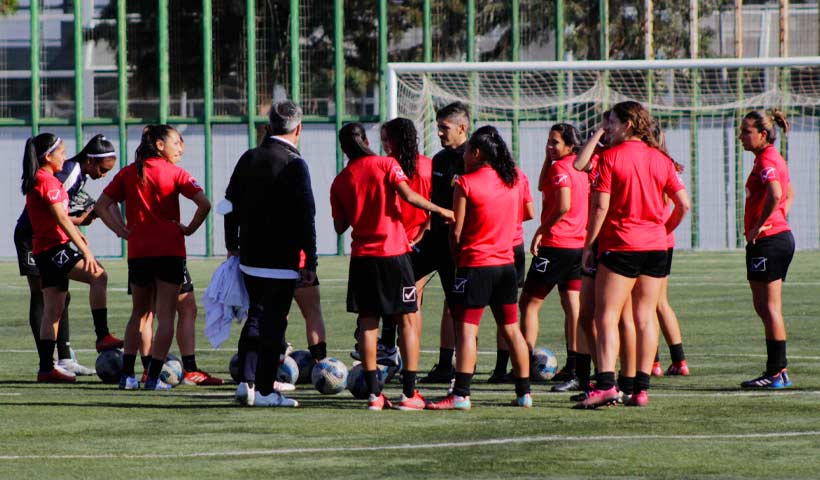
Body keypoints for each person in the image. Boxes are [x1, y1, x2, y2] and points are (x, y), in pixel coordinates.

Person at [331, 122, 453, 411]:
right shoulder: (386, 164)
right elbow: (409, 196)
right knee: (408, 319)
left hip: (361, 257)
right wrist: (440, 210)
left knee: (368, 323)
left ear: (343, 147)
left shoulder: (340, 180)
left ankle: (375, 396)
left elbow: (339, 226)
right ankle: (409, 393)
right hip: (394, 254)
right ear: (365, 139)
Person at [577, 101, 689, 409]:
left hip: (622, 244)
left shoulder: (611, 158)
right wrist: (662, 228)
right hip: (655, 247)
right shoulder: (661, 159)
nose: (608, 127)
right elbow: (684, 204)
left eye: (611, 122)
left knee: (607, 316)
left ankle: (606, 385)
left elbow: (600, 207)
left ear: (628, 124)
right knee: (644, 316)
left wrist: (589, 244)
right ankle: (640, 390)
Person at [95, 124, 211, 391]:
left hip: (139, 252)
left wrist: (122, 231)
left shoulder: (128, 172)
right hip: (169, 250)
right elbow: (204, 204)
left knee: (139, 313)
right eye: (175, 142)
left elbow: (102, 205)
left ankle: (127, 377)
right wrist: (190, 229)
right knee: (166, 317)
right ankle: (153, 378)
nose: (180, 147)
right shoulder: (176, 173)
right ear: (159, 145)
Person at [426, 126, 532, 410]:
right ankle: (524, 394)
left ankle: (460, 395)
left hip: (476, 265)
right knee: (511, 330)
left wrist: (458, 259)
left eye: (467, 149)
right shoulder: (513, 180)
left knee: (467, 330)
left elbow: (456, 233)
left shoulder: (466, 183)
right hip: (506, 265)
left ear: (476, 153)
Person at [221, 101, 316, 407]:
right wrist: (310, 260)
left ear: (269, 127)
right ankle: (263, 391)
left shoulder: (249, 157)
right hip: (281, 258)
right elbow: (307, 215)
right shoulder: (294, 163)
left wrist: (231, 242)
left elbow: (228, 204)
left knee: (256, 316)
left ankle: (247, 384)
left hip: (250, 256)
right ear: (298, 129)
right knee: (274, 324)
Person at [15, 134, 121, 377]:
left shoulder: (45, 178)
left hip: (47, 247)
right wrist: (85, 250)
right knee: (99, 275)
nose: (66, 156)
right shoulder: (48, 181)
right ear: (47, 156)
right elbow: (60, 218)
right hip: (51, 248)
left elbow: (58, 217)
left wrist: (77, 231)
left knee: (54, 309)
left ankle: (46, 369)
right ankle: (102, 336)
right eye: (61, 152)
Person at [515, 124, 587, 388]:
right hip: (578, 247)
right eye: (548, 141)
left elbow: (564, 205)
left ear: (570, 146)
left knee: (529, 304)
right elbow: (540, 184)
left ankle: (522, 363)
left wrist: (540, 232)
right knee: (573, 308)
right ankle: (574, 365)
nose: (549, 146)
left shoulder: (561, 168)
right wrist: (549, 156)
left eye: (555, 142)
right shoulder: (579, 168)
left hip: (556, 246)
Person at [738, 109, 795, 389]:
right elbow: (789, 193)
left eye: (746, 131)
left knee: (769, 307)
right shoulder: (771, 157)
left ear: (762, 134)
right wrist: (778, 217)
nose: (741, 137)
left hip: (770, 241)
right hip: (778, 237)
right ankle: (778, 371)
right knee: (765, 306)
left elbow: (775, 193)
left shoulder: (767, 159)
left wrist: (761, 225)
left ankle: (776, 372)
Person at [417, 102, 470, 384]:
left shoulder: (473, 158)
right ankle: (390, 347)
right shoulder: (438, 160)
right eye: (438, 127)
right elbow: (436, 201)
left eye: (444, 128)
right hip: (433, 240)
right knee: (401, 282)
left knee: (457, 307)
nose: (438, 133)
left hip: (457, 244)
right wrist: (425, 226)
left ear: (462, 128)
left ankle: (456, 368)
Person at [651, 126, 689, 377]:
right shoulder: (668, 163)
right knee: (659, 303)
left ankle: (652, 362)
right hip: (665, 240)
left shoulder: (651, 162)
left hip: (649, 240)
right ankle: (679, 361)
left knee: (642, 305)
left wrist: (662, 230)